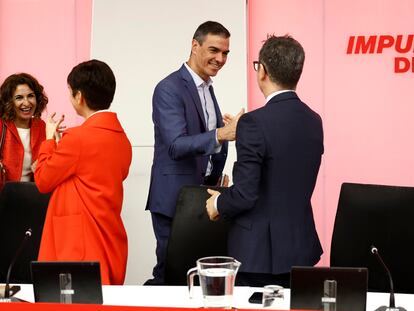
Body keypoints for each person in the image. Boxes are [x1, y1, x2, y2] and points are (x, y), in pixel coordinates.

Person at [206, 35, 324, 287]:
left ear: (263, 71)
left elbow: (245, 194)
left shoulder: (253, 123)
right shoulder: (314, 120)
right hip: (301, 250)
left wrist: (218, 202)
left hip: (257, 255)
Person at [145, 21, 243, 285]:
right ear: (194, 45)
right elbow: (176, 145)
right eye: (214, 50)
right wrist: (223, 134)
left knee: (197, 278)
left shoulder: (207, 87)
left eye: (225, 53)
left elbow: (207, 141)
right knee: (169, 276)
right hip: (174, 200)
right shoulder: (169, 88)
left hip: (202, 197)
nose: (220, 59)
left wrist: (214, 177)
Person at [34, 59, 132, 285]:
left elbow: (43, 180)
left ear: (79, 96)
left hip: (81, 242)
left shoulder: (77, 139)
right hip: (110, 236)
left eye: (70, 93)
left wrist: (49, 140)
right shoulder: (121, 139)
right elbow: (90, 171)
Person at [0, 73, 48, 182]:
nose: (26, 103)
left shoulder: (41, 126)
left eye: (30, 96)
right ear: (9, 102)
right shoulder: (1, 125)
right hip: (4, 195)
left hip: (31, 194)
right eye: (19, 98)